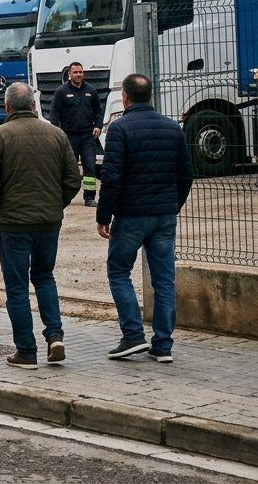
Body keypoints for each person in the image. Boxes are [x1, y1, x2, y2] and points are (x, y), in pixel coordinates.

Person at [0, 82, 82, 369]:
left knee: (17, 287)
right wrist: (55, 205)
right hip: (48, 222)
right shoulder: (57, 135)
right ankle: (55, 335)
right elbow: (73, 180)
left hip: (13, 224)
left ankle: (26, 351)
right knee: (45, 276)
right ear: (34, 106)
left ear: (7, 106)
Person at [96, 73, 193, 363]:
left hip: (132, 215)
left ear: (125, 97)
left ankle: (133, 335)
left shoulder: (119, 128)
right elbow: (186, 175)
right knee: (164, 280)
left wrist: (103, 215)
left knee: (118, 271)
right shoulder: (172, 127)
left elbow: (112, 178)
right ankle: (162, 345)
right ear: (150, 95)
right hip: (164, 215)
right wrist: (172, 206)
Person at [48, 62, 104, 206]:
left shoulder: (91, 90)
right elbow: (54, 113)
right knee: (68, 168)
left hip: (87, 136)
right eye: (75, 72)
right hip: (68, 136)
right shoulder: (61, 91)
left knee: (89, 167)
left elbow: (98, 111)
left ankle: (89, 197)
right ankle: (65, 197)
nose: (78, 75)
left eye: (80, 72)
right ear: (69, 74)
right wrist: (56, 131)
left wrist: (98, 126)